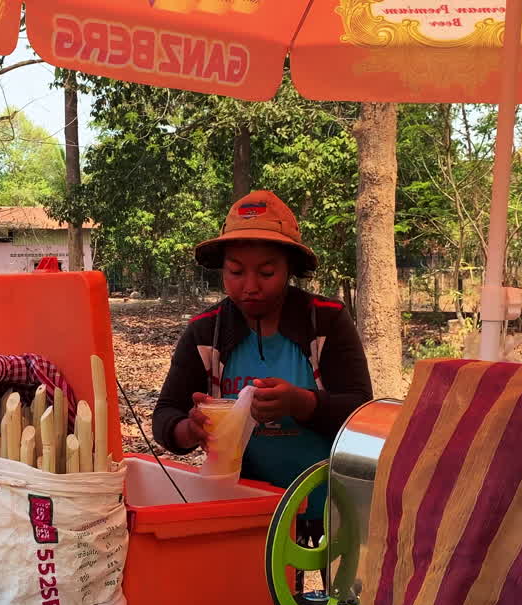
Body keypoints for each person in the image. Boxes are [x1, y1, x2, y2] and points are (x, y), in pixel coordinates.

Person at [153, 190, 373, 537]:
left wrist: (301, 403)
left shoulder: (327, 322)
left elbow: (361, 411)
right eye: (236, 272)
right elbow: (166, 413)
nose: (250, 287)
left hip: (330, 503)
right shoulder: (204, 333)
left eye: (267, 272)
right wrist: (191, 430)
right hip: (245, 506)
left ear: (289, 269)